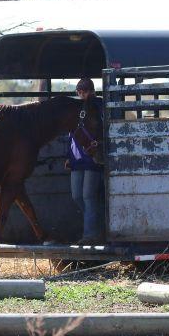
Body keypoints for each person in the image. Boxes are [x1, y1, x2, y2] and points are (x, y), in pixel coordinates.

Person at [65, 78, 104, 244]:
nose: (81, 95)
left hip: (92, 156)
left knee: (88, 195)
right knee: (77, 196)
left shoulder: (99, 105)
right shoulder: (78, 107)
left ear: (90, 91)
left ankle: (90, 235)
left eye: (83, 92)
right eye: (79, 92)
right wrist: (68, 156)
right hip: (77, 157)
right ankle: (97, 221)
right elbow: (72, 133)